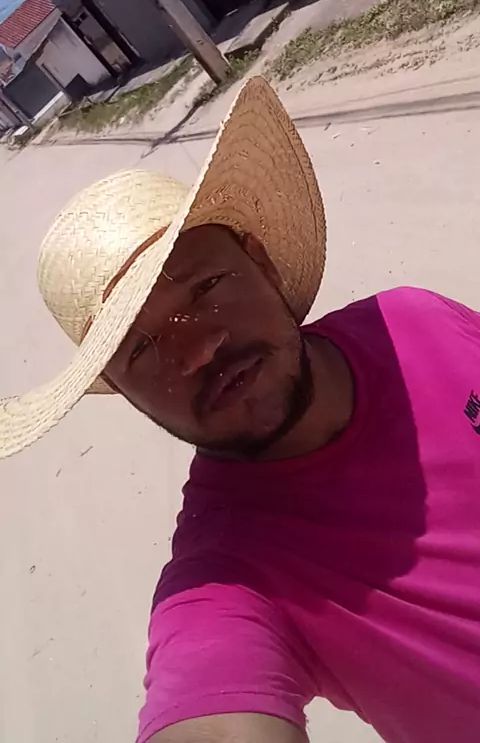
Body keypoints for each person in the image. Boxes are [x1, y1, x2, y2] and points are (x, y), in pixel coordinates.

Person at [0, 77, 479, 743]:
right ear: (120, 390)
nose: (197, 349)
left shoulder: (415, 318)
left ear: (262, 263)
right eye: (140, 349)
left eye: (206, 287)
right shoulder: (227, 576)